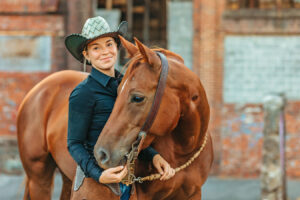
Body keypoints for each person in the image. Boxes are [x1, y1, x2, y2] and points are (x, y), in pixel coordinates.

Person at [65, 16, 175, 199]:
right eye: (96, 48)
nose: (105, 52)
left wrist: (154, 156)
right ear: (86, 55)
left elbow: (128, 132)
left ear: (117, 46)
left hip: (127, 182)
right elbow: (74, 144)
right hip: (95, 184)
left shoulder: (126, 87)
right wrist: (99, 175)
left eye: (109, 44)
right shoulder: (83, 93)